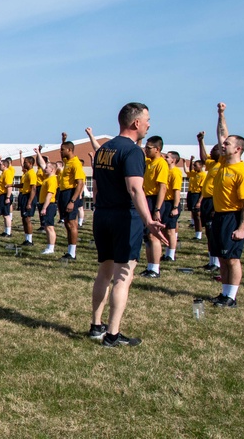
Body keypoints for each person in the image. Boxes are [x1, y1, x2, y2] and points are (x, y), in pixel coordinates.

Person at [89, 102, 165, 347]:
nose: (149, 124)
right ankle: (112, 334)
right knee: (124, 274)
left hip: (102, 215)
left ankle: (96, 325)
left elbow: (99, 186)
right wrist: (149, 221)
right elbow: (135, 188)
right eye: (148, 120)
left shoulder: (103, 150)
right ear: (136, 123)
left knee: (104, 271)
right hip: (124, 217)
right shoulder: (132, 151)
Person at [208, 103, 244, 308]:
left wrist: (242, 228)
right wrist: (221, 114)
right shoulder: (224, 163)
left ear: (238, 149)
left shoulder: (242, 172)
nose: (222, 145)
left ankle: (232, 297)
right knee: (223, 258)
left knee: (233, 259)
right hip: (219, 215)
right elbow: (222, 132)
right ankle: (225, 293)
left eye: (227, 144)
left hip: (233, 217)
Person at [138, 136, 169, 278]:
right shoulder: (149, 162)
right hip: (147, 198)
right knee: (147, 235)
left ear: (157, 149)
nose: (146, 149)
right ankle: (150, 266)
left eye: (149, 148)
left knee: (153, 234)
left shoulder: (161, 164)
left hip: (155, 200)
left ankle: (155, 268)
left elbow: (162, 187)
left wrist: (157, 209)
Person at [56, 134, 86, 260]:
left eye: (62, 149)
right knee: (67, 223)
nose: (60, 152)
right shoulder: (67, 162)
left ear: (69, 150)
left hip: (70, 193)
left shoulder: (76, 163)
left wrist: (73, 201)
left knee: (72, 223)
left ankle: (72, 253)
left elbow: (80, 183)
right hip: (63, 193)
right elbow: (62, 154)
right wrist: (63, 141)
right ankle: (69, 251)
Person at [197, 132, 223, 271]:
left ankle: (218, 263)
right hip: (207, 200)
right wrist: (201, 141)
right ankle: (212, 261)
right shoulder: (212, 164)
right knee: (208, 232)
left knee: (214, 232)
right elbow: (203, 157)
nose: (211, 152)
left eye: (215, 150)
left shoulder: (222, 165)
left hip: (214, 201)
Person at [33, 150, 58, 255]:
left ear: (52, 170)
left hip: (49, 205)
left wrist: (44, 207)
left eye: (47, 168)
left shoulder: (52, 180)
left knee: (49, 227)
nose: (45, 168)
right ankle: (48, 246)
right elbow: (42, 164)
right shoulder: (47, 178)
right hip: (44, 204)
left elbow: (49, 195)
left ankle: (51, 248)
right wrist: (38, 153)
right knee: (46, 226)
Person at [161, 151, 183, 261]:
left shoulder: (175, 172)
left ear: (173, 160)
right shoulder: (166, 171)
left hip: (171, 203)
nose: (165, 158)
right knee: (165, 229)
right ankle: (167, 252)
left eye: (167, 157)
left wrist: (175, 207)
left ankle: (171, 254)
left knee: (171, 230)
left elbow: (176, 191)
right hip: (164, 202)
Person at [16, 151, 38, 246]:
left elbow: (33, 188)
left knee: (27, 219)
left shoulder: (32, 173)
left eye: (25, 162)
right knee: (24, 218)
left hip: (29, 197)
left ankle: (30, 240)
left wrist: (29, 202)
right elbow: (23, 185)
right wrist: (12, 185)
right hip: (24, 196)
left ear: (30, 163)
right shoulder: (26, 173)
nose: (24, 164)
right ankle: (26, 239)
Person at [183, 156, 206, 240]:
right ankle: (196, 234)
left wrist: (199, 202)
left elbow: (203, 190)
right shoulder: (194, 173)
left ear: (201, 166)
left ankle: (199, 235)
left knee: (198, 215)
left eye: (196, 165)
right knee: (194, 214)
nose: (194, 167)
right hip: (191, 194)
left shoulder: (203, 175)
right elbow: (188, 170)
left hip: (197, 194)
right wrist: (191, 161)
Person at [0, 154, 15, 237]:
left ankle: (8, 232)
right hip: (2, 195)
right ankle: (6, 231)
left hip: (5, 195)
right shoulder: (3, 173)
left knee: (6, 215)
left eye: (0, 164)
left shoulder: (7, 173)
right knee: (4, 215)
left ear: (4, 165)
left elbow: (9, 186)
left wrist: (8, 197)